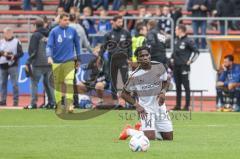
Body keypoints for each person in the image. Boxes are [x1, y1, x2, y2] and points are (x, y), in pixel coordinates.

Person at [119, 46, 173, 140]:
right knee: (150, 138)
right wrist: (137, 105)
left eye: (146, 55)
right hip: (146, 109)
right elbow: (123, 94)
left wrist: (163, 92)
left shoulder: (159, 66)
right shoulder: (134, 75)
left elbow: (166, 81)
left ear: (150, 56)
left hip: (160, 108)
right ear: (138, 59)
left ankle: (141, 129)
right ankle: (129, 131)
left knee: (169, 139)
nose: (145, 57)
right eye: (141, 56)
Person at [46, 13, 81, 114]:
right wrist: (49, 56)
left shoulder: (73, 31)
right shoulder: (54, 31)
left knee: (69, 82)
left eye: (68, 20)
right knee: (58, 85)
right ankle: (59, 105)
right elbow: (49, 45)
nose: (67, 21)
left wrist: (79, 58)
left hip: (69, 61)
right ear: (60, 20)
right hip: (57, 62)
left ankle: (70, 104)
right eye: (65, 20)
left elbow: (77, 45)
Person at [25, 19, 55, 109]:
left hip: (37, 63)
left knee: (34, 83)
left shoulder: (35, 35)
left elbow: (33, 50)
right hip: (48, 62)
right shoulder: (50, 34)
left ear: (35, 26)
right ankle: (52, 103)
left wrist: (28, 61)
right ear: (43, 25)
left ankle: (33, 103)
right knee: (48, 84)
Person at [102, 15, 132, 105]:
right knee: (113, 81)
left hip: (123, 60)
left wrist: (130, 58)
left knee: (125, 80)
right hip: (112, 60)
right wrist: (100, 57)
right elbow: (103, 47)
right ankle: (115, 102)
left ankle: (128, 102)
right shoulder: (108, 34)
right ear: (113, 22)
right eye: (119, 22)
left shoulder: (126, 33)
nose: (121, 23)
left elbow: (130, 47)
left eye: (121, 22)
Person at [171, 24, 199, 111]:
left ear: (180, 30)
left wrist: (191, 61)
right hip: (176, 67)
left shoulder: (188, 40)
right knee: (178, 87)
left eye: (176, 30)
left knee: (186, 86)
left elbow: (197, 52)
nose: (175, 31)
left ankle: (187, 106)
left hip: (184, 67)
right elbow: (175, 52)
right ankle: (178, 105)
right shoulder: (176, 40)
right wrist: (172, 58)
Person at [0, 27, 24, 106]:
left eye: (8, 32)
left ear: (11, 33)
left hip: (13, 65)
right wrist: (3, 53)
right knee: (3, 84)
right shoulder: (1, 42)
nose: (7, 34)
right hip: (3, 65)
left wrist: (14, 56)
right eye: (5, 33)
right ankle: (3, 100)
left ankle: (15, 101)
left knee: (14, 84)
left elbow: (21, 53)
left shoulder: (16, 41)